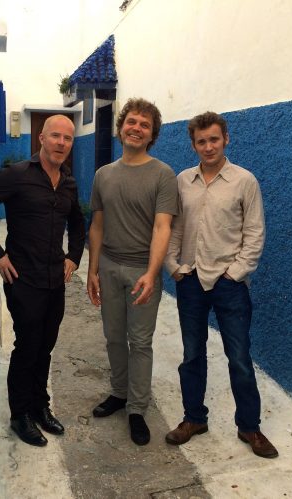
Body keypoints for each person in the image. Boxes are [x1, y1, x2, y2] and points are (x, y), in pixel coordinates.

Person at [163, 111, 278, 458]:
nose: (208, 146)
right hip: (191, 280)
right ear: (193, 145)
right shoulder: (183, 181)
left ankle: (249, 426)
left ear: (226, 138)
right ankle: (193, 419)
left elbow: (254, 233)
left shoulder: (245, 181)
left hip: (229, 284)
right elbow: (175, 228)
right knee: (192, 355)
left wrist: (236, 272)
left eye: (214, 139)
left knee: (239, 357)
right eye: (201, 141)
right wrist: (173, 266)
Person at [0, 115, 85, 447]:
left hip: (55, 280)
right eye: (55, 136)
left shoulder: (68, 182)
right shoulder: (17, 175)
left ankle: (39, 405)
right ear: (42, 138)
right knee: (27, 346)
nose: (61, 143)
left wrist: (73, 257)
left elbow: (78, 223)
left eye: (68, 138)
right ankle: (19, 414)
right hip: (22, 279)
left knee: (45, 345)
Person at [87, 98, 178, 446]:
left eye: (144, 125)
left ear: (152, 135)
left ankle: (137, 408)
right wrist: (93, 270)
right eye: (132, 122)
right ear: (121, 126)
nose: (136, 128)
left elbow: (162, 227)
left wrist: (152, 273)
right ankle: (119, 392)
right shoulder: (103, 175)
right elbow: (97, 225)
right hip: (109, 267)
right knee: (113, 336)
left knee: (140, 342)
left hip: (143, 270)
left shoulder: (163, 174)